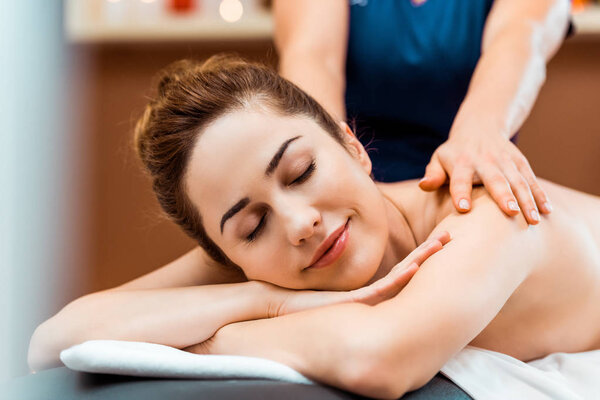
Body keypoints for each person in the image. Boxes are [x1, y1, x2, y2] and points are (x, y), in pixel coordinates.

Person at [28, 57, 600, 399]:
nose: (300, 223)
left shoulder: (488, 214)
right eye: (252, 228)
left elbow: (379, 360)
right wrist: (258, 296)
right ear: (229, 254)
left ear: (352, 147)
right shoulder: (270, 262)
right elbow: (56, 337)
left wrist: (223, 331)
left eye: (301, 172)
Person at [273, 0, 571, 225]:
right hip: (355, 189)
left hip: (463, 183)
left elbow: (521, 39)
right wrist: (330, 172)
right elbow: (312, 56)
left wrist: (479, 134)